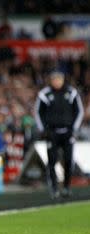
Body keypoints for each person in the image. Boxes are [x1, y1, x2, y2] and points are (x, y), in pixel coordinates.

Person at [34, 71, 84, 200]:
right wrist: (43, 129)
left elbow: (79, 111)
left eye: (59, 79)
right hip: (52, 132)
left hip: (68, 132)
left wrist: (74, 128)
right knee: (52, 161)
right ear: (51, 80)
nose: (57, 81)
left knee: (68, 160)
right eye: (54, 79)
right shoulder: (44, 94)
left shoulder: (71, 93)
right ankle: (54, 189)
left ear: (63, 80)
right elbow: (38, 112)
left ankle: (67, 187)